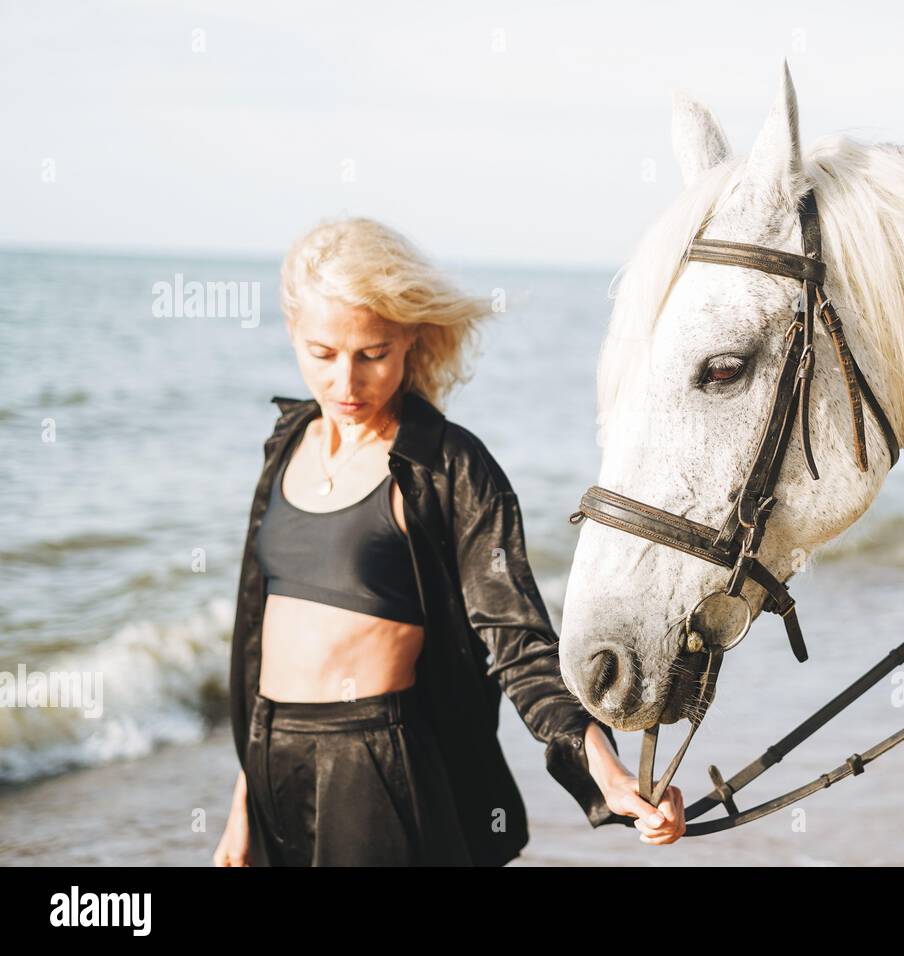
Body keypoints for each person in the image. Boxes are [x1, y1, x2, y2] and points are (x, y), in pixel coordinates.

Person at [212, 217, 684, 866]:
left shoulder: (448, 467)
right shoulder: (285, 444)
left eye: (372, 354)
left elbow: (517, 639)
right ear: (292, 331)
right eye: (322, 354)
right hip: (272, 764)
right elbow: (262, 641)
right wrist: (243, 805)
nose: (345, 384)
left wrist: (604, 771)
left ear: (410, 336)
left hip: (376, 768)